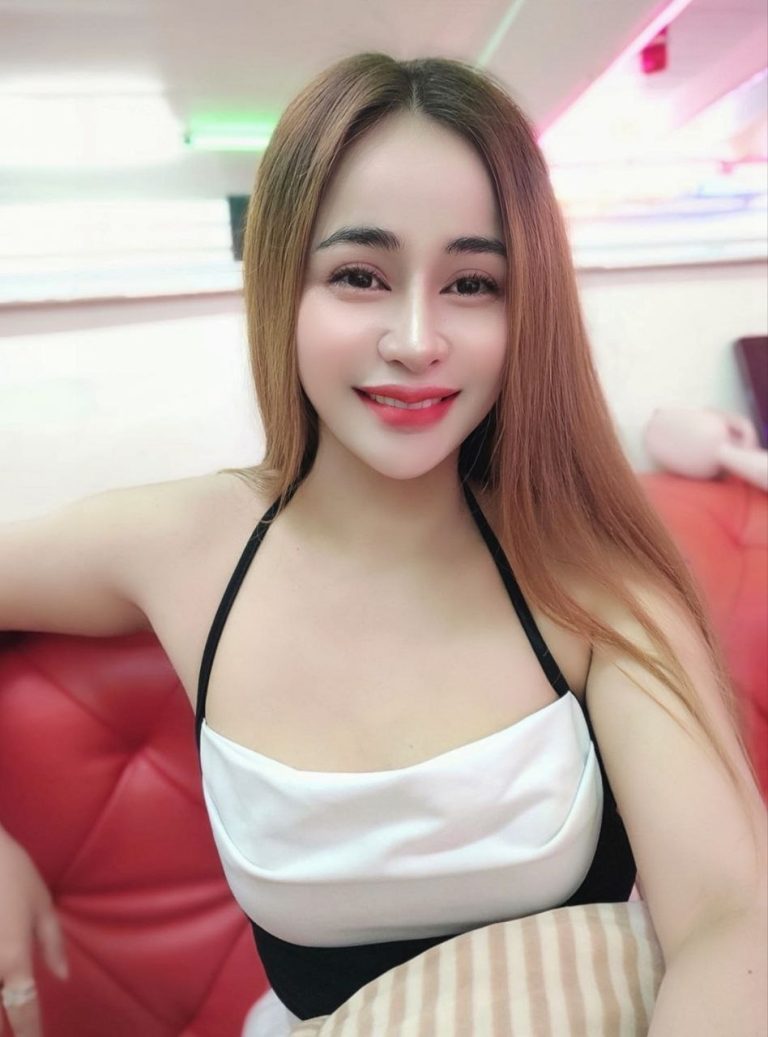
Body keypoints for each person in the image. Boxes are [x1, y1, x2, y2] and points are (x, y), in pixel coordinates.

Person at [0, 51, 766, 1037]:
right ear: (284, 285)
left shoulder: (591, 572)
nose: (415, 339)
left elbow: (730, 918)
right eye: (360, 275)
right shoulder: (179, 545)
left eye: (472, 282)